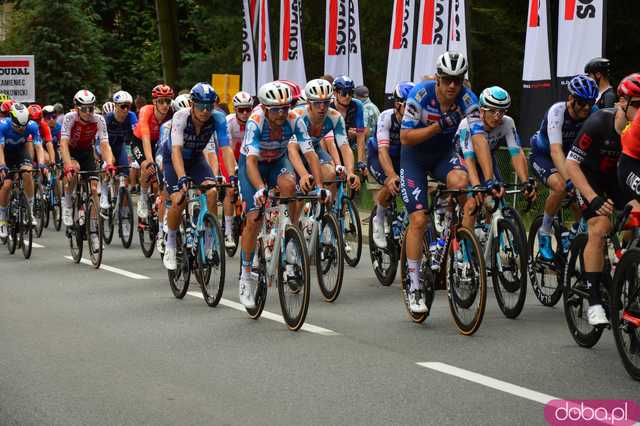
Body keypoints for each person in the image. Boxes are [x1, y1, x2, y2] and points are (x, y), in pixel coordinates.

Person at [400, 51, 485, 313]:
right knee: (418, 220)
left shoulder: (468, 98)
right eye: (447, 80)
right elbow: (405, 137)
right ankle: (414, 285)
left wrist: (488, 180)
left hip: (443, 156)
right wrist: (437, 127)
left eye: (457, 80)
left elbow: (479, 137)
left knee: (464, 185)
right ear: (438, 79)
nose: (452, 86)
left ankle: (458, 249)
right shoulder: (421, 95)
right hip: (414, 157)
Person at [237, 81, 320, 309]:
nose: (282, 113)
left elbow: (310, 153)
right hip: (253, 166)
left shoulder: (294, 119)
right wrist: (260, 189)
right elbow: (251, 162)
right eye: (276, 109)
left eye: (285, 107)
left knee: (290, 186)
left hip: (277, 161)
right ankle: (245, 275)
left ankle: (290, 235)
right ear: (264, 108)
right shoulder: (255, 122)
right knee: (254, 218)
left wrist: (319, 185)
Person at [566, 76, 639, 326]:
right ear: (622, 103)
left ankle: (626, 263)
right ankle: (595, 301)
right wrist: (592, 197)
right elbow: (571, 163)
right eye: (637, 105)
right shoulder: (599, 122)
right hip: (590, 178)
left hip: (619, 180)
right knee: (599, 226)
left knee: (636, 218)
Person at [162, 83, 236, 271]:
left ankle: (210, 242)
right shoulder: (181, 117)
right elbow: (176, 151)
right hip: (174, 160)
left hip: (196, 159)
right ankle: (170, 243)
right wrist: (181, 178)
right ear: (192, 104)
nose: (205, 110)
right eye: (201, 105)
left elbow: (225, 149)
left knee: (211, 193)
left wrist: (232, 176)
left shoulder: (218, 118)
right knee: (179, 199)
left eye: (209, 106)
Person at [529, 74, 599, 261]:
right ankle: (544, 232)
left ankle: (576, 234)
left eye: (589, 103)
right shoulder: (557, 111)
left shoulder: (594, 112)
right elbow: (555, 151)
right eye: (581, 103)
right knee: (561, 186)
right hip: (544, 155)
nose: (586, 108)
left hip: (571, 158)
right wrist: (570, 179)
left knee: (583, 194)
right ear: (570, 98)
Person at [455, 86, 536, 197]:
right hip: (463, 159)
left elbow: (516, 153)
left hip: (487, 159)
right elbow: (469, 158)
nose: (497, 117)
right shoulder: (467, 124)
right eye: (492, 111)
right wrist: (476, 186)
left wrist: (525, 182)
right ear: (482, 110)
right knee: (473, 201)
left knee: (496, 197)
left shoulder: (507, 123)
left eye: (501, 112)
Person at [60, 90, 116, 232]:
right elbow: (64, 143)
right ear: (76, 108)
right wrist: (67, 166)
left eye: (90, 108)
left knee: (93, 188)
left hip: (86, 152)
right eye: (84, 109)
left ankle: (93, 228)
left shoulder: (98, 119)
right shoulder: (69, 117)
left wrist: (109, 163)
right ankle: (67, 203)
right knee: (75, 169)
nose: (88, 112)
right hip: (71, 151)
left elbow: (104, 144)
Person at [368, 81, 414, 248]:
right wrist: (391, 175)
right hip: (379, 156)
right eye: (409, 106)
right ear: (398, 104)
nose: (414, 110)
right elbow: (383, 151)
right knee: (390, 185)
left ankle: (403, 220)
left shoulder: (417, 120)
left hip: (402, 158)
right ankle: (378, 219)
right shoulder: (386, 117)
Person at [0, 103, 46, 236]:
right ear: (12, 119)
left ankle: (29, 211)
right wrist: (2, 165)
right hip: (5, 154)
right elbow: (0, 149)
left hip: (20, 151)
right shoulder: (3, 126)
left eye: (23, 126)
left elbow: (38, 147)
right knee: (7, 184)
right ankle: (2, 219)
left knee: (27, 173)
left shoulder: (32, 126)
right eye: (18, 127)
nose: (21, 129)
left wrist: (41, 164)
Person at [131, 84, 174, 221]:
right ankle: (143, 198)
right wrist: (150, 161)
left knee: (161, 173)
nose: (165, 105)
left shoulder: (171, 113)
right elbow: (145, 137)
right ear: (154, 102)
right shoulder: (146, 111)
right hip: (140, 141)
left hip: (158, 142)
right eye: (161, 101)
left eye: (168, 101)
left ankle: (158, 201)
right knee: (147, 167)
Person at [218, 90, 252, 249]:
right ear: (235, 109)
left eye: (248, 109)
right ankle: (228, 231)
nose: (245, 113)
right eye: (241, 110)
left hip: (245, 155)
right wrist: (234, 169)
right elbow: (227, 149)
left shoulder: (254, 121)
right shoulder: (228, 121)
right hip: (229, 154)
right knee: (230, 190)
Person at [101, 91, 137, 210]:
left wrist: (136, 156)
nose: (126, 110)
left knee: (125, 175)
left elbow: (136, 136)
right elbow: (101, 141)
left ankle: (125, 212)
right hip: (107, 147)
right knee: (108, 166)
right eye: (123, 106)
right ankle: (105, 193)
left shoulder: (131, 116)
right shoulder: (108, 118)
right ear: (116, 106)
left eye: (128, 106)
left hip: (120, 146)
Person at [330, 76, 367, 174]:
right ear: (335, 93)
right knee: (332, 175)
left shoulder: (357, 105)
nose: (347, 96)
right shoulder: (328, 107)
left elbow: (360, 135)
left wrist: (360, 161)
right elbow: (325, 138)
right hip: (329, 145)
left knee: (354, 176)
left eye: (350, 93)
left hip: (348, 146)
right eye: (343, 93)